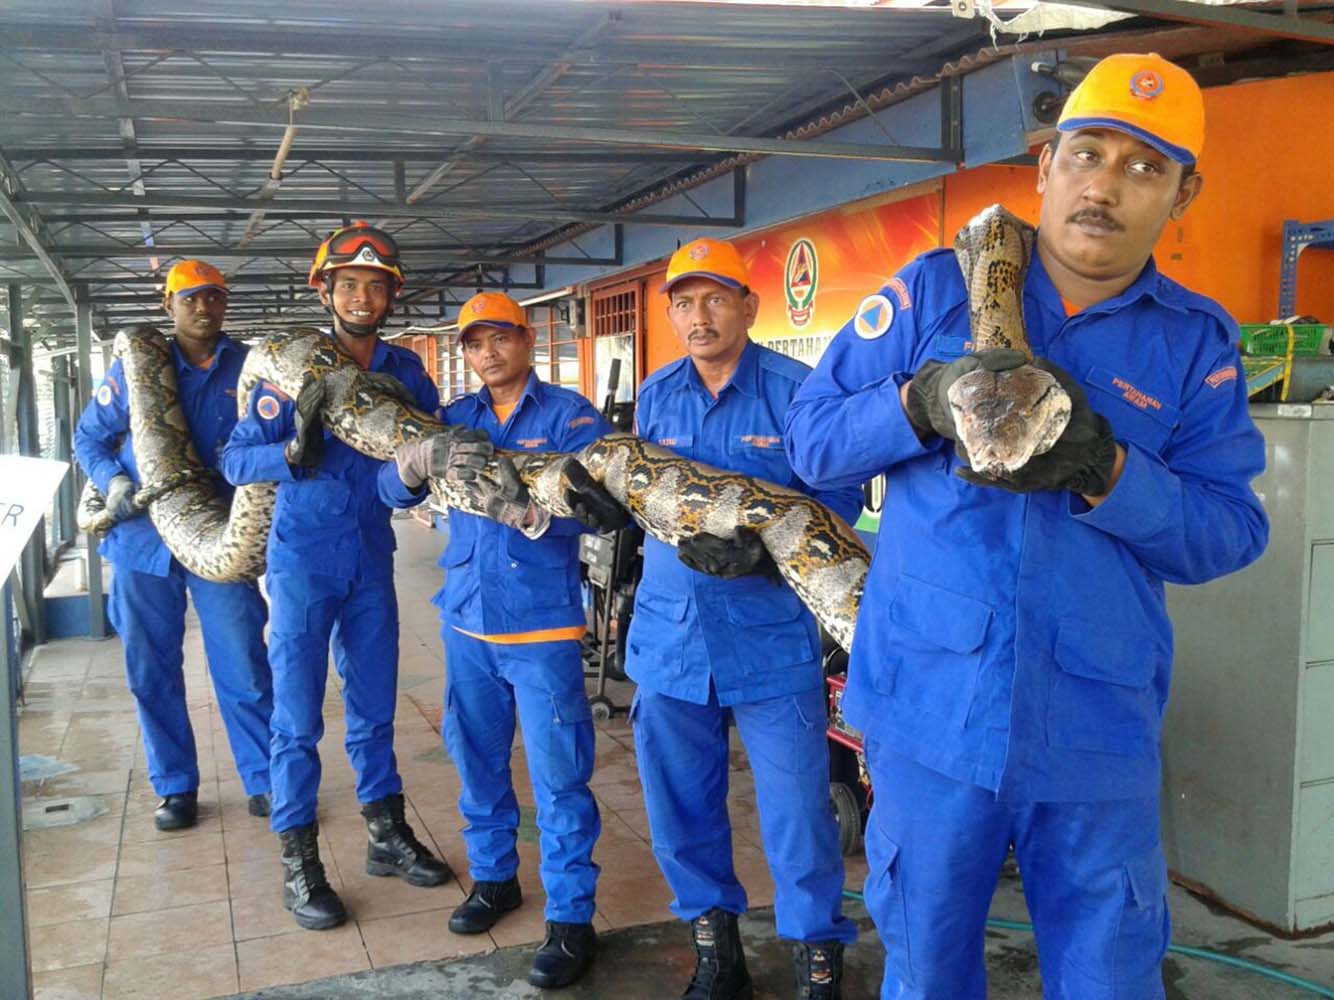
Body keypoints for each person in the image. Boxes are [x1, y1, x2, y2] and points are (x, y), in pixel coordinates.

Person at [785, 54, 1269, 999]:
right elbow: (812, 441)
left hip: (1094, 723)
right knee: (927, 971)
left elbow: (1228, 530)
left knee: (1110, 976)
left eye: (1146, 167)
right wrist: (918, 401)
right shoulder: (933, 293)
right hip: (929, 711)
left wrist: (1109, 468)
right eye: (1089, 153)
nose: (1106, 185)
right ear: (1046, 163)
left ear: (1183, 194)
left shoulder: (1194, 342)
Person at [221, 224, 478, 931]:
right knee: (297, 718)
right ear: (326, 292)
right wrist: (291, 451)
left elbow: (427, 460)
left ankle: (385, 834)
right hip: (302, 561)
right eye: (350, 285)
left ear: (392, 295)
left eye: (376, 285)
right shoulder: (290, 374)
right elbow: (235, 462)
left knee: (373, 706)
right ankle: (298, 859)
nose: (363, 297)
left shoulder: (407, 371)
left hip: (372, 555)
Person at [627, 239, 861, 1000]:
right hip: (669, 637)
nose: (700, 317)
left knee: (798, 814)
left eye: (715, 299)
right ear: (670, 314)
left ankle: (816, 960)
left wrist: (764, 556)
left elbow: (842, 503)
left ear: (748, 306)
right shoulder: (657, 395)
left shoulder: (798, 391)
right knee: (680, 808)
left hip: (768, 641)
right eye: (684, 303)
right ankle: (715, 951)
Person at [380, 290, 626, 988]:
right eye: (475, 342)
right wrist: (411, 462)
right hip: (466, 620)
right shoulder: (453, 421)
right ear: (464, 352)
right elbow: (389, 490)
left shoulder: (571, 417)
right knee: (477, 760)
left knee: (558, 777)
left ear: (526, 340)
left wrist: (549, 522)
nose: (489, 352)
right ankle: (494, 879)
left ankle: (572, 918)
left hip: (542, 624)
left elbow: (610, 509)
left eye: (502, 338)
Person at [74, 259, 274, 832]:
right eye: (190, 299)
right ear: (170, 306)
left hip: (218, 534)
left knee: (243, 661)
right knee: (150, 667)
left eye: (213, 297)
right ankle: (175, 785)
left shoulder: (248, 368)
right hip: (142, 541)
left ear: (225, 303)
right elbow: (89, 435)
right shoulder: (137, 366)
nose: (203, 308)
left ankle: (262, 779)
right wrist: (113, 480)